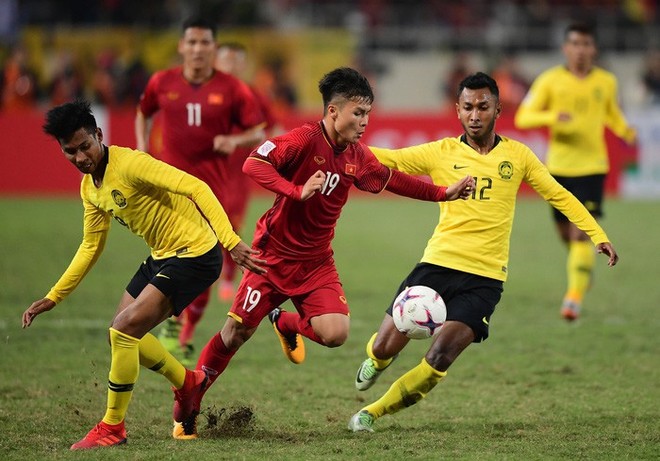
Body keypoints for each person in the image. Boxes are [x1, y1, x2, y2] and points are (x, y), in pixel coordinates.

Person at [171, 66, 475, 439]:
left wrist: (443, 192)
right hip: (272, 257)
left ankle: (284, 321)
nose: (364, 122)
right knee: (234, 334)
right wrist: (295, 191)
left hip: (316, 262)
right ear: (333, 112)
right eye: (357, 113)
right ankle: (188, 406)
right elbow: (254, 163)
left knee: (336, 334)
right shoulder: (302, 140)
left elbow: (393, 179)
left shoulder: (357, 156)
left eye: (368, 114)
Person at [346, 72, 619, 433]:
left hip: (486, 279)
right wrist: (337, 140)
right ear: (457, 111)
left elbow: (558, 194)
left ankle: (372, 414)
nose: (475, 115)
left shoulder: (518, 156)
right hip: (436, 267)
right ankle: (377, 361)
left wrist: (595, 233)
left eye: (483, 107)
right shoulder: (440, 151)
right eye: (468, 107)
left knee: (439, 356)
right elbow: (385, 158)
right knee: (383, 347)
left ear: (497, 110)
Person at [21, 100, 266, 449]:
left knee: (124, 329)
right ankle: (188, 382)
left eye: (85, 146)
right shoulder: (90, 188)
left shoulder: (131, 164)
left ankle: (112, 427)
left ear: (99, 135)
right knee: (118, 336)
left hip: (196, 253)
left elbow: (197, 187)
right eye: (70, 151)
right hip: (163, 256)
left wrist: (230, 241)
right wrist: (54, 296)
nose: (80, 157)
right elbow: (91, 245)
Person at [135, 18, 267, 364]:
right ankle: (172, 323)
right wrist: (141, 147)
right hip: (169, 189)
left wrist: (233, 139)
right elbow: (144, 111)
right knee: (171, 254)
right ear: (181, 46)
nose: (197, 49)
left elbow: (258, 130)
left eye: (204, 43)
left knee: (205, 259)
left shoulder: (234, 89)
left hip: (212, 192)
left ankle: (180, 329)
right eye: (191, 43)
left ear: (213, 47)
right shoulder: (162, 82)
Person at [514, 22, 635, 321]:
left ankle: (573, 299)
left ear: (594, 49)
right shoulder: (549, 80)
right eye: (575, 44)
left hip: (593, 167)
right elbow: (523, 117)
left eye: (586, 44)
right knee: (566, 236)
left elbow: (611, 113)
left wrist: (624, 130)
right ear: (565, 48)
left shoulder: (606, 81)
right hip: (558, 168)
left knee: (580, 234)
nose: (581, 50)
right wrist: (554, 116)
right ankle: (580, 273)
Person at [214, 41, 283, 302]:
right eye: (226, 60)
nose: (231, 66)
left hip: (236, 174)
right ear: (216, 63)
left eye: (236, 61)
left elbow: (275, 130)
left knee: (231, 225)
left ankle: (228, 278)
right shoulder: (202, 93)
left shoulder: (254, 95)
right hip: (204, 170)